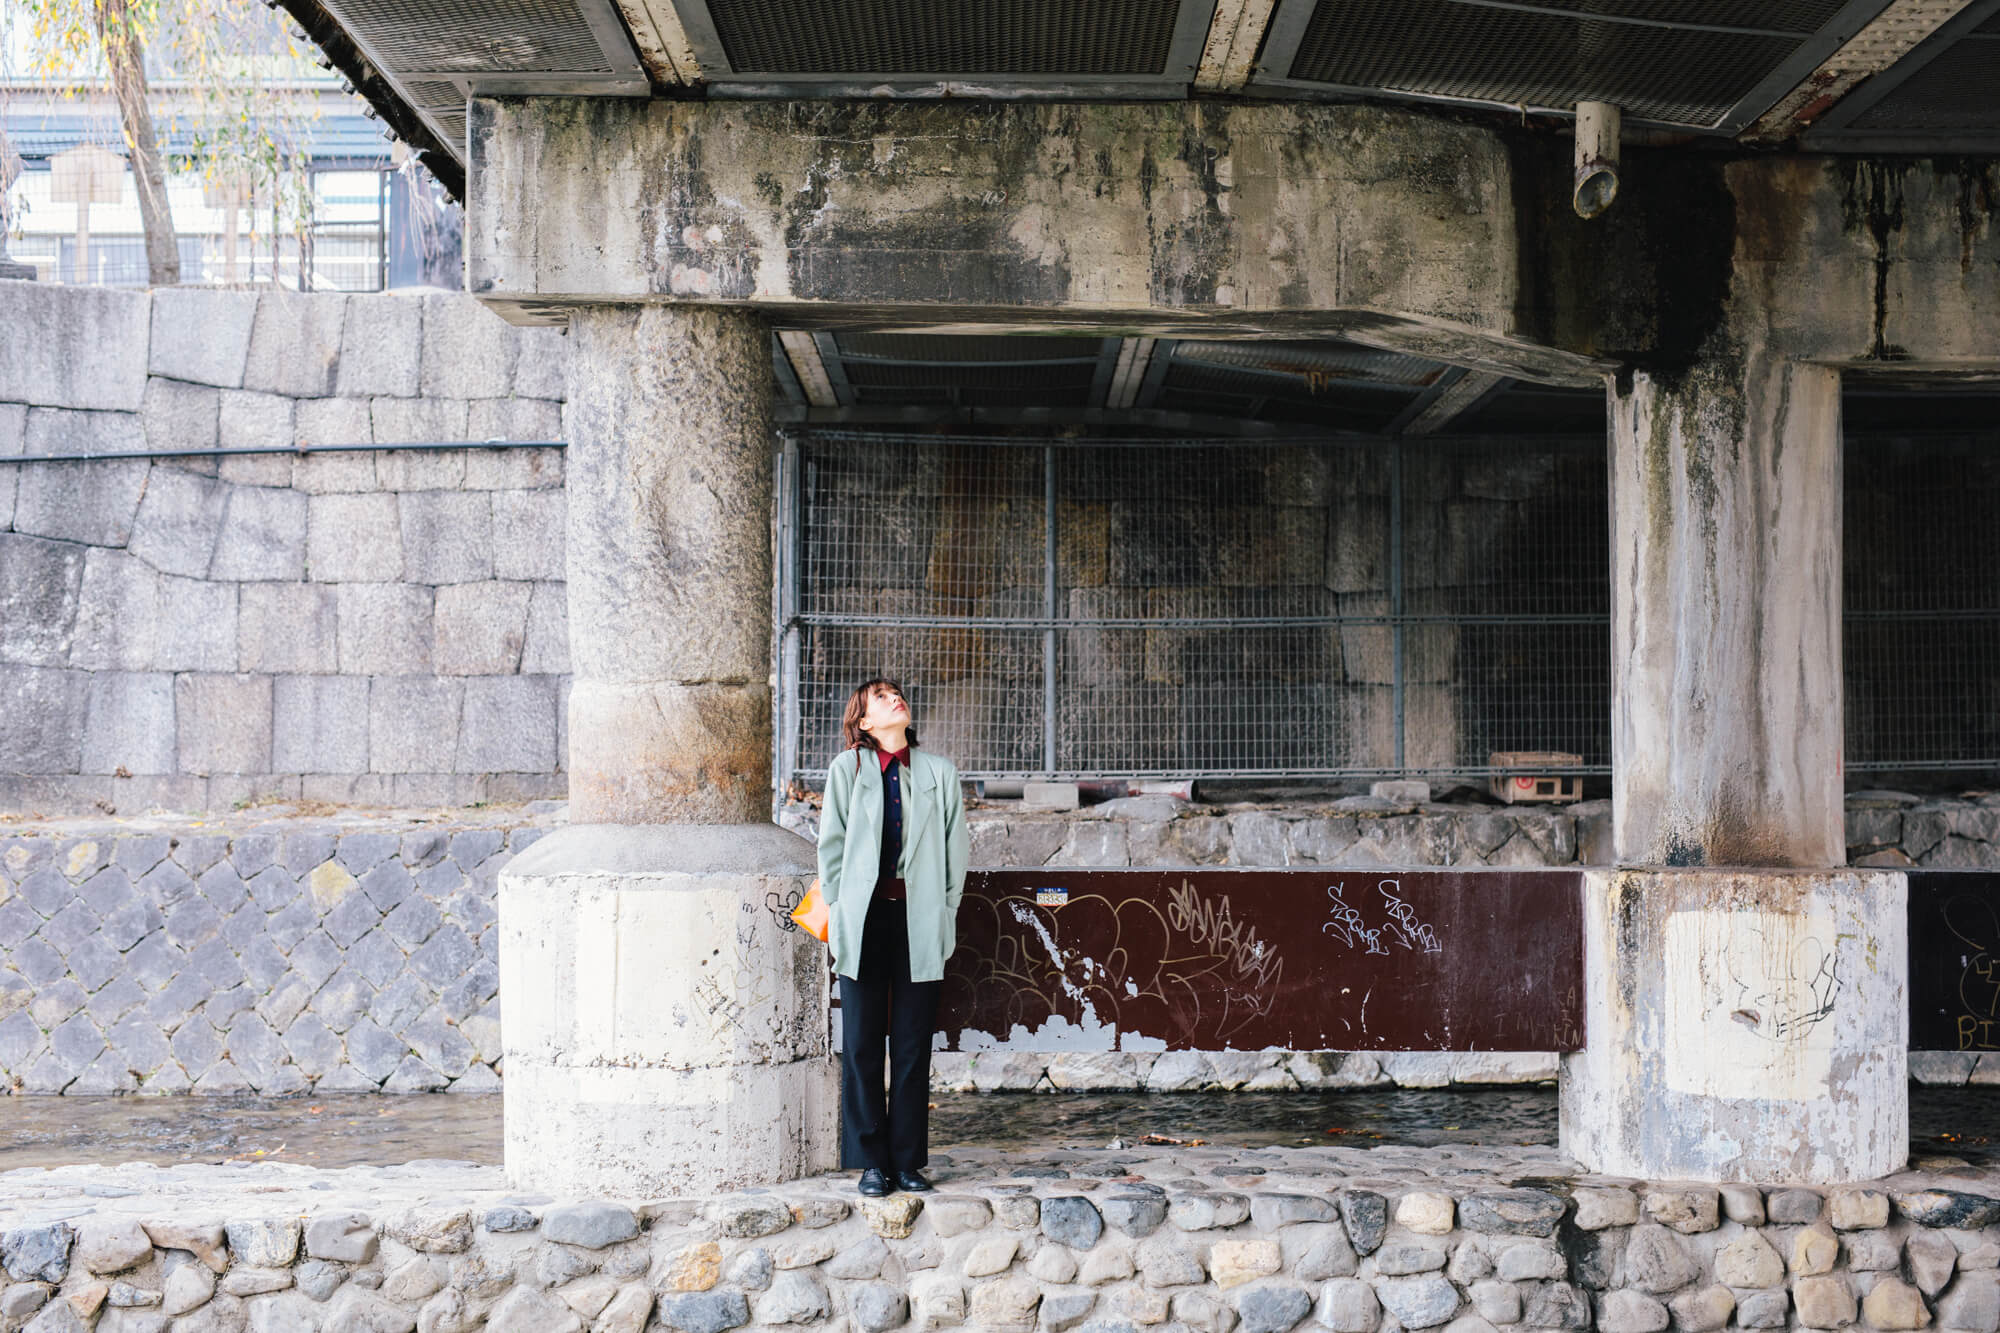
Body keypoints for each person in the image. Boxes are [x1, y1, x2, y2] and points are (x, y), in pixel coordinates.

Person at [816, 678, 970, 1197]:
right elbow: (830, 849)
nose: (894, 698)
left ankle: (907, 1162)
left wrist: (946, 914)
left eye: (896, 693)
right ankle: (870, 1162)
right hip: (862, 920)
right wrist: (837, 914)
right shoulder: (847, 770)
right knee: (860, 1045)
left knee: (911, 1046)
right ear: (864, 722)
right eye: (880, 697)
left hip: (919, 919)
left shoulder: (939, 773)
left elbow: (955, 853)